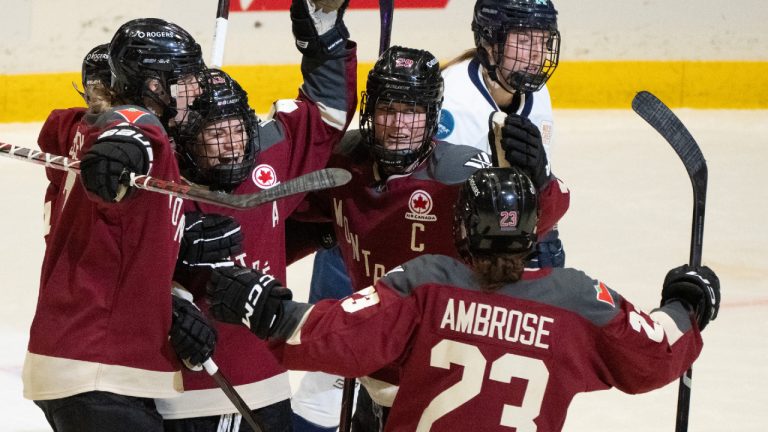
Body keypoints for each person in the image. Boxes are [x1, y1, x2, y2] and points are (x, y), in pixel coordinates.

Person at [207, 166, 720, 432]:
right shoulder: (577, 300)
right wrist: (686, 304)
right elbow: (653, 353)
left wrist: (270, 310)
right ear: (532, 235)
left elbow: (337, 336)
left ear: (461, 230)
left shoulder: (429, 282)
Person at [284, 44, 569, 431]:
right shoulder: (346, 164)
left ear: (433, 115)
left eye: (412, 112)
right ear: (370, 111)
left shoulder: (458, 174)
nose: (399, 125)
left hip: (443, 383)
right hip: (375, 372)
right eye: (388, 109)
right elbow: (282, 220)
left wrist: (537, 180)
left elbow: (535, 221)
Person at [155, 0, 358, 430]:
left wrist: (325, 34)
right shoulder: (158, 178)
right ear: (187, 138)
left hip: (266, 382)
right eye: (215, 134)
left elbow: (327, 113)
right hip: (183, 392)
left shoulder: (269, 155)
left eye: (237, 130)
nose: (231, 145)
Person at [24, 18, 206, 431]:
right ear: (155, 86)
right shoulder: (137, 123)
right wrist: (122, 147)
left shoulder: (81, 127)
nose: (196, 89)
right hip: (98, 364)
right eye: (185, 79)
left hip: (90, 360)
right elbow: (129, 128)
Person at [438, 0, 565, 269]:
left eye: (544, 41)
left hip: (503, 232)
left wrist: (540, 178)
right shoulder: (449, 99)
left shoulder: (538, 94)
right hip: (454, 246)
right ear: (489, 42)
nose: (537, 54)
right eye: (524, 39)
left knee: (547, 248)